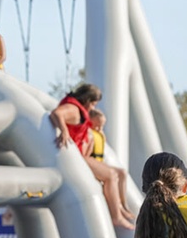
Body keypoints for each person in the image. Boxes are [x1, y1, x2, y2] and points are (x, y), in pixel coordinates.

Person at [49, 84, 135, 230]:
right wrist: (64, 131)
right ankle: (117, 217)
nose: (93, 108)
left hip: (78, 156)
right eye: (94, 104)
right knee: (110, 175)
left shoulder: (77, 110)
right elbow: (56, 113)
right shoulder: (75, 109)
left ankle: (120, 208)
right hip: (74, 158)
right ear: (88, 101)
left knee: (117, 173)